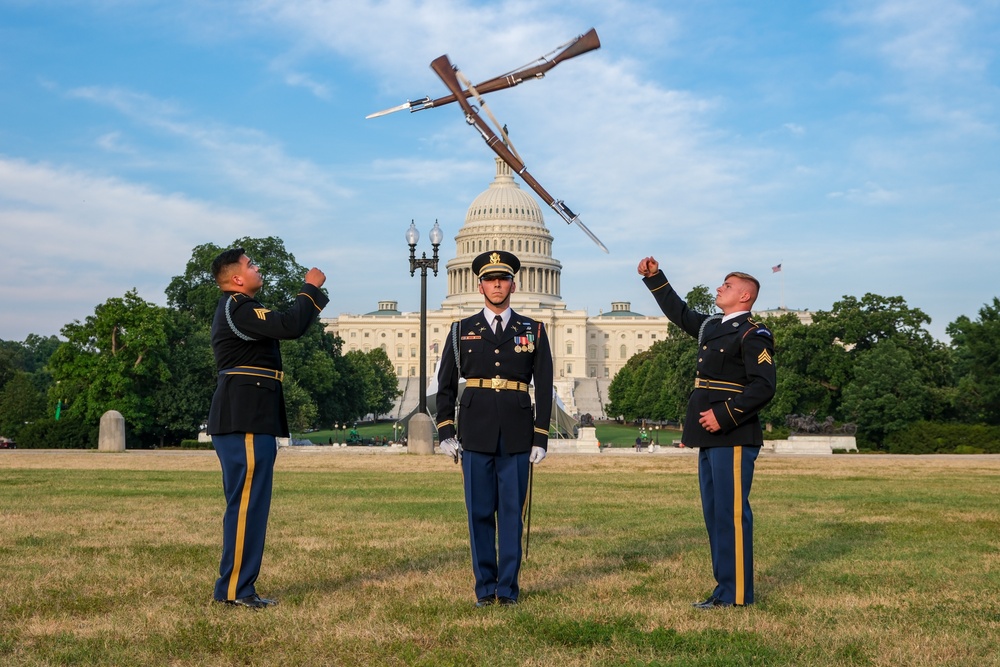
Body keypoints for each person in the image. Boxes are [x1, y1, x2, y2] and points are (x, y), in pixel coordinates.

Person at [638, 256, 775, 608]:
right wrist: (656, 279)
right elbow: (680, 313)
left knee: (731, 515)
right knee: (715, 515)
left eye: (726, 285)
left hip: (732, 433)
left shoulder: (753, 333)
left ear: (744, 296)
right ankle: (724, 590)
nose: (719, 288)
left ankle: (738, 595)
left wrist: (725, 416)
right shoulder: (713, 326)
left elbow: (763, 387)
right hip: (708, 433)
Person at [207, 248, 328, 609]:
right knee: (247, 505)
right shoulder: (239, 307)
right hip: (244, 416)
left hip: (250, 415)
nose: (257, 268)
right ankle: (235, 590)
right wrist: (310, 288)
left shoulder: (239, 309)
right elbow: (289, 325)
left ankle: (238, 586)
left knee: (251, 505)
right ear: (237, 279)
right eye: (250, 264)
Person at [436, 250, 554, 607]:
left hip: (517, 432)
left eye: (502, 278)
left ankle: (509, 588)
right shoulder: (461, 330)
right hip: (475, 430)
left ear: (513, 284)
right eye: (490, 279)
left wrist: (541, 436)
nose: (497, 284)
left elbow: (544, 384)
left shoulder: (533, 329)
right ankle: (485, 589)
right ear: (480, 285)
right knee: (479, 513)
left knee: (511, 516)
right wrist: (445, 431)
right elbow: (445, 384)